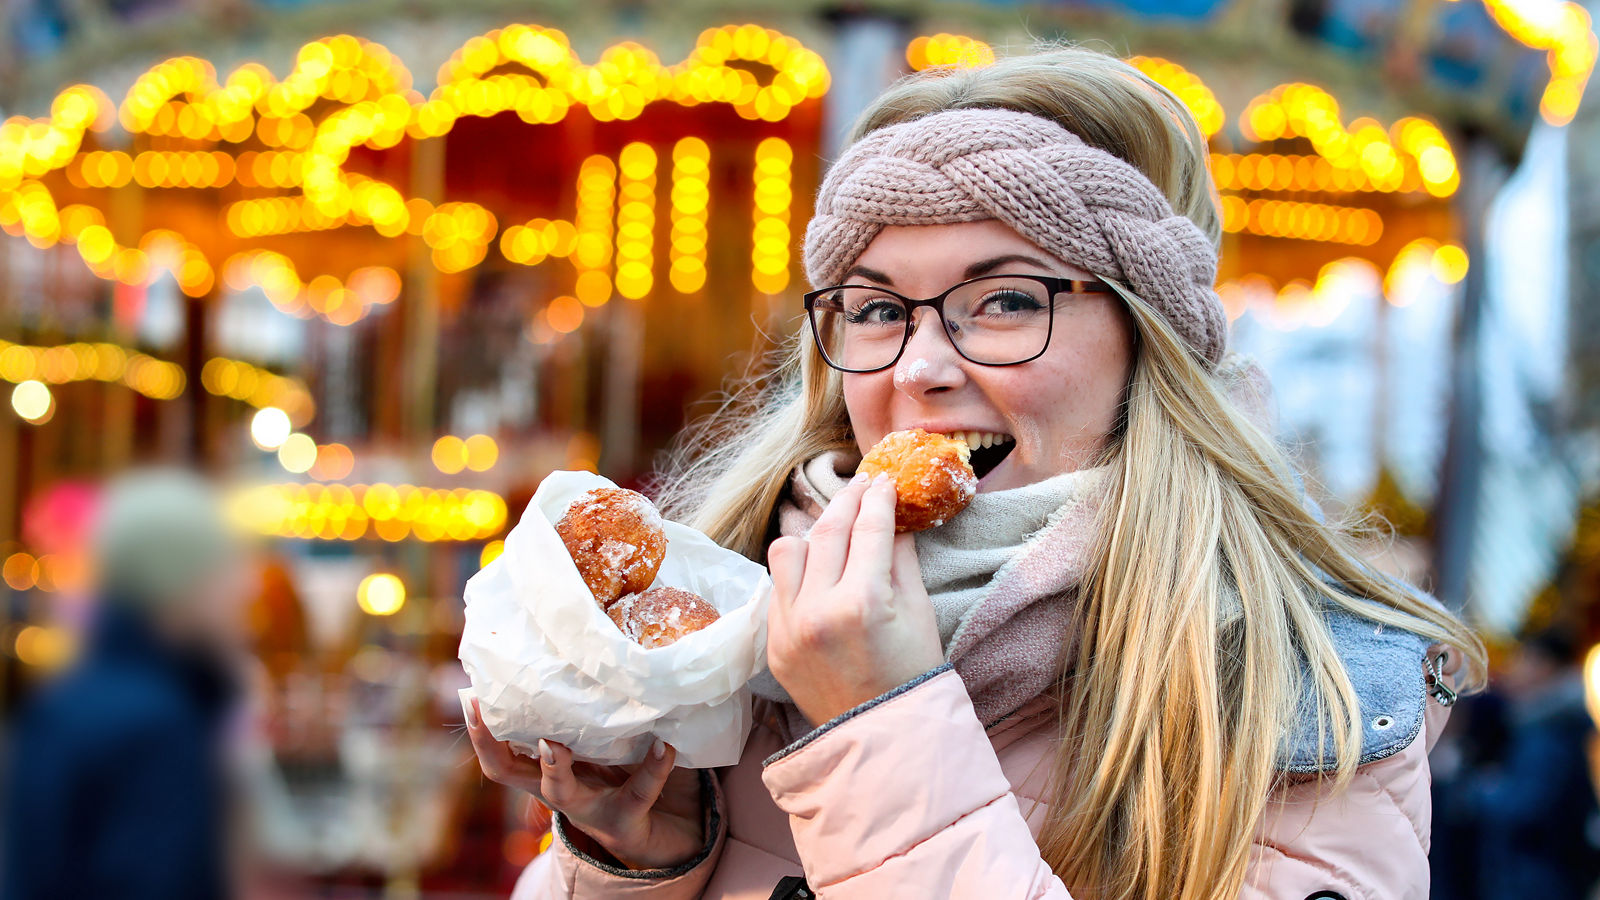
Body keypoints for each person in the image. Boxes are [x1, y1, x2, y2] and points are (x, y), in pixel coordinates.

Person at [466, 46, 1485, 899]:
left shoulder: (1306, 692)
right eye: (872, 308)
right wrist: (637, 858)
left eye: (1002, 302)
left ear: (1147, 342)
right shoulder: (731, 613)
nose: (918, 368)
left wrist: (883, 719)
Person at [2, 469, 250, 900]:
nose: (243, 589)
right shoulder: (155, 725)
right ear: (178, 580)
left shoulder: (74, 702)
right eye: (223, 570)